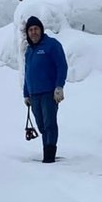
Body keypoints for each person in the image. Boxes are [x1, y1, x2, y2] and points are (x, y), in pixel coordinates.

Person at [23, 16, 68, 164]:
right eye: (30, 30)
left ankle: (49, 155)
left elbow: (62, 66)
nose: (33, 32)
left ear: (41, 30)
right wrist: (26, 93)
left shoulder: (52, 45)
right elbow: (27, 72)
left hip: (49, 92)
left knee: (49, 123)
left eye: (36, 29)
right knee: (41, 125)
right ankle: (46, 151)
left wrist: (59, 86)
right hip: (34, 93)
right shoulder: (29, 50)